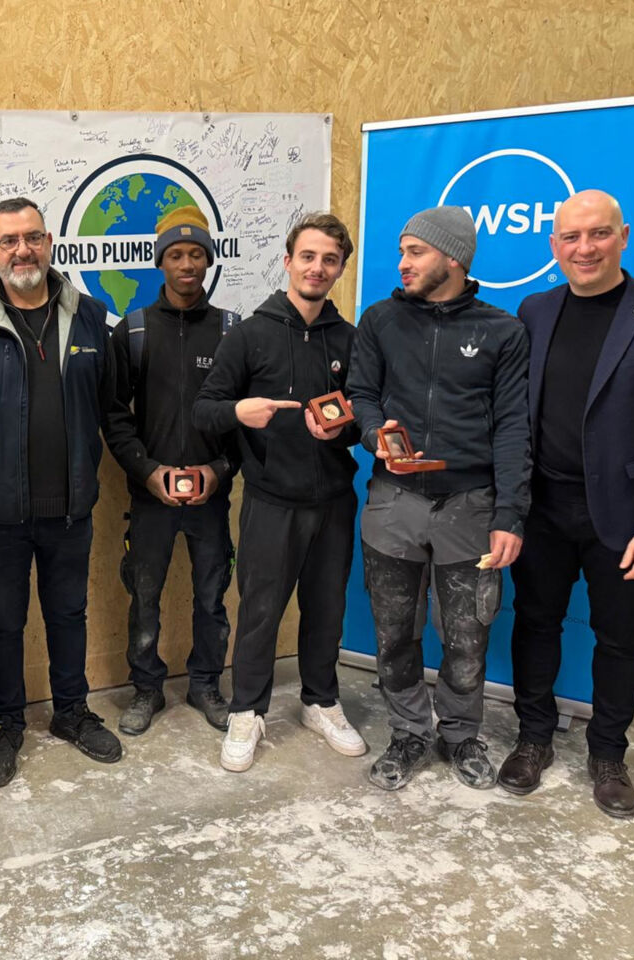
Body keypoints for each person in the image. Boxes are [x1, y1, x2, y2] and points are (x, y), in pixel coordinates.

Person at [500, 189, 634, 818]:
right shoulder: (535, 310)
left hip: (625, 519)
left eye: (598, 234)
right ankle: (533, 738)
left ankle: (609, 753)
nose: (584, 248)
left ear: (623, 236)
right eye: (571, 236)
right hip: (543, 509)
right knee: (535, 622)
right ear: (554, 244)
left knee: (618, 637)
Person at [0, 196, 120, 787]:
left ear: (49, 243)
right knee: (3, 623)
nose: (23, 250)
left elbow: (106, 403)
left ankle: (71, 712)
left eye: (33, 237)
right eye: (9, 241)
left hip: (70, 506)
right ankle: (7, 724)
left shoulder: (90, 315)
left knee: (68, 614)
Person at [347, 206, 530, 792]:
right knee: (394, 633)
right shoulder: (379, 320)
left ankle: (459, 734)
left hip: (470, 507)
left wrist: (510, 515)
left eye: (415, 252)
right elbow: (360, 393)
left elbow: (513, 428)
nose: (402, 263)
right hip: (393, 501)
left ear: (453, 258)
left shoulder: (502, 332)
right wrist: (374, 434)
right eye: (402, 251)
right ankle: (408, 732)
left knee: (467, 637)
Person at [194, 212, 367, 772]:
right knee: (261, 611)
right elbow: (205, 410)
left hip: (334, 502)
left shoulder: (350, 339)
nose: (318, 268)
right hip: (271, 501)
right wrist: (238, 411)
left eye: (330, 260)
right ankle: (247, 710)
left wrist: (345, 430)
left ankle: (320, 701)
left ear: (340, 269)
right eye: (308, 257)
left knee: (328, 607)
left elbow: (364, 418)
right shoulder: (249, 335)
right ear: (289, 261)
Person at [104, 207, 239, 736]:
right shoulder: (134, 330)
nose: (187, 264)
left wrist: (219, 470)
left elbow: (245, 420)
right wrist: (147, 472)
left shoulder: (232, 332)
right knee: (144, 597)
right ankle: (146, 689)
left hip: (212, 498)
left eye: (196, 254)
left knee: (211, 597)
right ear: (160, 261)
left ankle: (206, 684)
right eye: (176, 255)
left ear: (208, 260)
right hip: (150, 499)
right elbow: (115, 418)